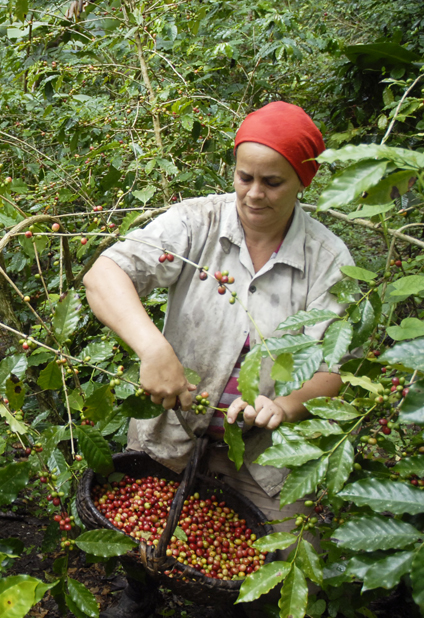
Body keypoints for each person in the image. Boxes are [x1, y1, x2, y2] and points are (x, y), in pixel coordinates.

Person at [83, 102, 354, 617]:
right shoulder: (197, 222)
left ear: (303, 182)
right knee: (143, 532)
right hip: (174, 425)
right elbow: (104, 275)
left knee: (262, 567)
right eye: (244, 176)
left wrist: (289, 404)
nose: (254, 193)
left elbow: (336, 365)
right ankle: (140, 596)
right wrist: (153, 347)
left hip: (265, 455)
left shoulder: (328, 260)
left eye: (272, 182)